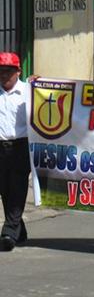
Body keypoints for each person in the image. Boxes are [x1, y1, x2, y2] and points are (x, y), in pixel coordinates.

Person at [0, 53, 31, 251]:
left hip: (21, 146)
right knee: (5, 189)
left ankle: (9, 232)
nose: (4, 75)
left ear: (18, 71)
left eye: (8, 71)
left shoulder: (28, 92)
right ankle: (19, 231)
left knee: (18, 188)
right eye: (1, 71)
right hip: (0, 146)